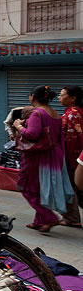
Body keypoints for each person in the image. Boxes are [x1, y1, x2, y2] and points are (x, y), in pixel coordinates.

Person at [13, 86, 75, 232]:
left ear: (32, 97)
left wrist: (18, 126)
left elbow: (32, 135)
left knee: (26, 187)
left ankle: (49, 217)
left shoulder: (37, 113)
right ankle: (39, 221)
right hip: (54, 154)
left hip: (38, 157)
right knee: (38, 189)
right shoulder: (55, 113)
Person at [59, 85, 83, 227]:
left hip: (72, 158)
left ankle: (72, 217)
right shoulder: (77, 112)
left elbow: (72, 140)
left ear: (73, 98)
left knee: (71, 186)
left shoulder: (72, 115)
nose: (59, 98)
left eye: (62, 95)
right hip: (76, 158)